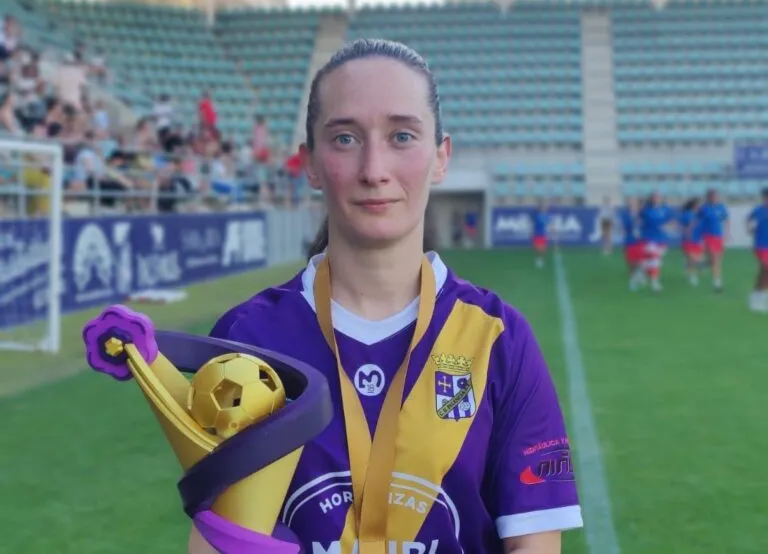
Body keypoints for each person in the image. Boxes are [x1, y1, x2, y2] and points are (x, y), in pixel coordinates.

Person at [189, 39, 583, 554]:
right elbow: (214, 542)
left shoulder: (497, 339)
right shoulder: (248, 340)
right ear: (309, 163)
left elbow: (534, 545)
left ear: (441, 157)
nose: (374, 169)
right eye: (346, 138)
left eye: (402, 135)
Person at [639, 191, 673, 293]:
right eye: (654, 197)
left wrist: (668, 226)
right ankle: (655, 283)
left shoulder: (665, 209)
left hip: (661, 239)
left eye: (658, 197)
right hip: (649, 238)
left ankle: (643, 273)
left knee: (654, 261)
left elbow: (670, 220)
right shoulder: (646, 210)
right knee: (654, 260)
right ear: (651, 199)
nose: (656, 199)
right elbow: (643, 219)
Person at [696, 188, 729, 292]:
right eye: (712, 196)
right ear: (708, 197)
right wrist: (692, 232)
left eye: (716, 196)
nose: (715, 198)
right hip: (708, 235)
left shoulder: (721, 207)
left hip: (719, 235)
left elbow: (726, 219)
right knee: (715, 258)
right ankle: (717, 283)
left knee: (718, 259)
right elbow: (696, 220)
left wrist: (727, 232)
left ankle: (704, 265)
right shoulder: (704, 208)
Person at [746, 188, 768, 312]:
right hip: (760, 245)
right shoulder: (758, 210)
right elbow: (748, 219)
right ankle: (758, 296)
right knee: (766, 268)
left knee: (764, 272)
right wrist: (749, 228)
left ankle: (757, 296)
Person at [619, 197, 645, 290]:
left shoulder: (641, 214)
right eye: (631, 204)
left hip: (640, 241)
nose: (633, 206)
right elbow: (624, 227)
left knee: (642, 261)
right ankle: (632, 281)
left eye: (635, 204)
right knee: (631, 264)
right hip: (630, 241)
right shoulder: (625, 215)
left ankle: (640, 275)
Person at [678, 197, 704, 287]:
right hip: (688, 240)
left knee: (698, 260)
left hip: (697, 240)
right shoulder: (686, 214)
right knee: (693, 260)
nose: (700, 206)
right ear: (694, 205)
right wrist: (686, 232)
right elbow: (680, 226)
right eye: (698, 204)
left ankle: (687, 267)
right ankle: (692, 276)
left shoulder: (699, 215)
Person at [531, 199, 552, 268]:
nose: (543, 208)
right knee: (536, 248)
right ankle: (538, 259)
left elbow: (548, 222)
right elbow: (536, 221)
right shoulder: (536, 215)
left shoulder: (546, 216)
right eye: (542, 207)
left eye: (544, 207)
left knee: (544, 248)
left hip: (543, 234)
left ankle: (542, 260)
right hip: (536, 233)